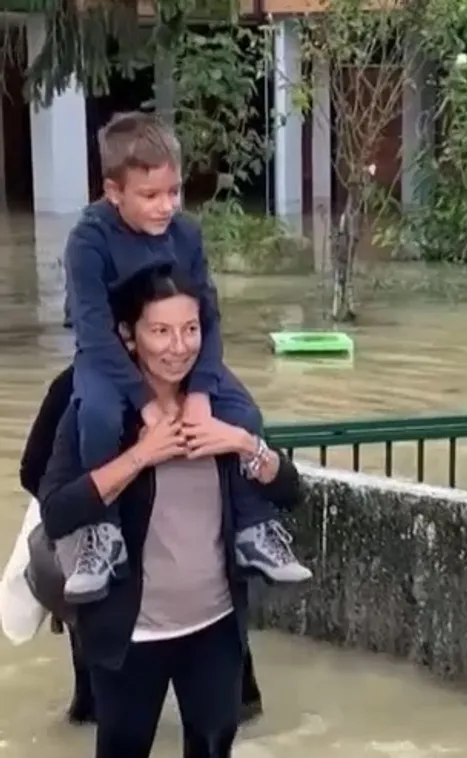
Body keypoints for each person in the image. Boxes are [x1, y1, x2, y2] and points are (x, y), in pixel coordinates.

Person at [39, 268, 301, 757]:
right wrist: (140, 455)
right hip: (129, 631)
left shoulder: (220, 402)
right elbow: (55, 511)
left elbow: (289, 492)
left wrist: (245, 446)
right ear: (128, 336)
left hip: (216, 626)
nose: (178, 347)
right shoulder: (90, 405)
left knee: (212, 745)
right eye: (160, 331)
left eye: (191, 329)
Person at [61, 111, 310, 604]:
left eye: (173, 192)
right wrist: (147, 404)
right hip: (113, 356)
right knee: (99, 415)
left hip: (182, 350)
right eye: (150, 196)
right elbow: (92, 332)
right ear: (114, 192)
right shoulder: (88, 241)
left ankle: (253, 529)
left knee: (242, 412)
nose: (166, 206)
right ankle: (102, 534)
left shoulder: (187, 235)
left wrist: (199, 394)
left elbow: (209, 318)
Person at [19, 364, 265, 727]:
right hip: (150, 562)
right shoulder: (208, 383)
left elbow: (33, 474)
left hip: (157, 573)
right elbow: (39, 479)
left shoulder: (206, 388)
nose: (175, 347)